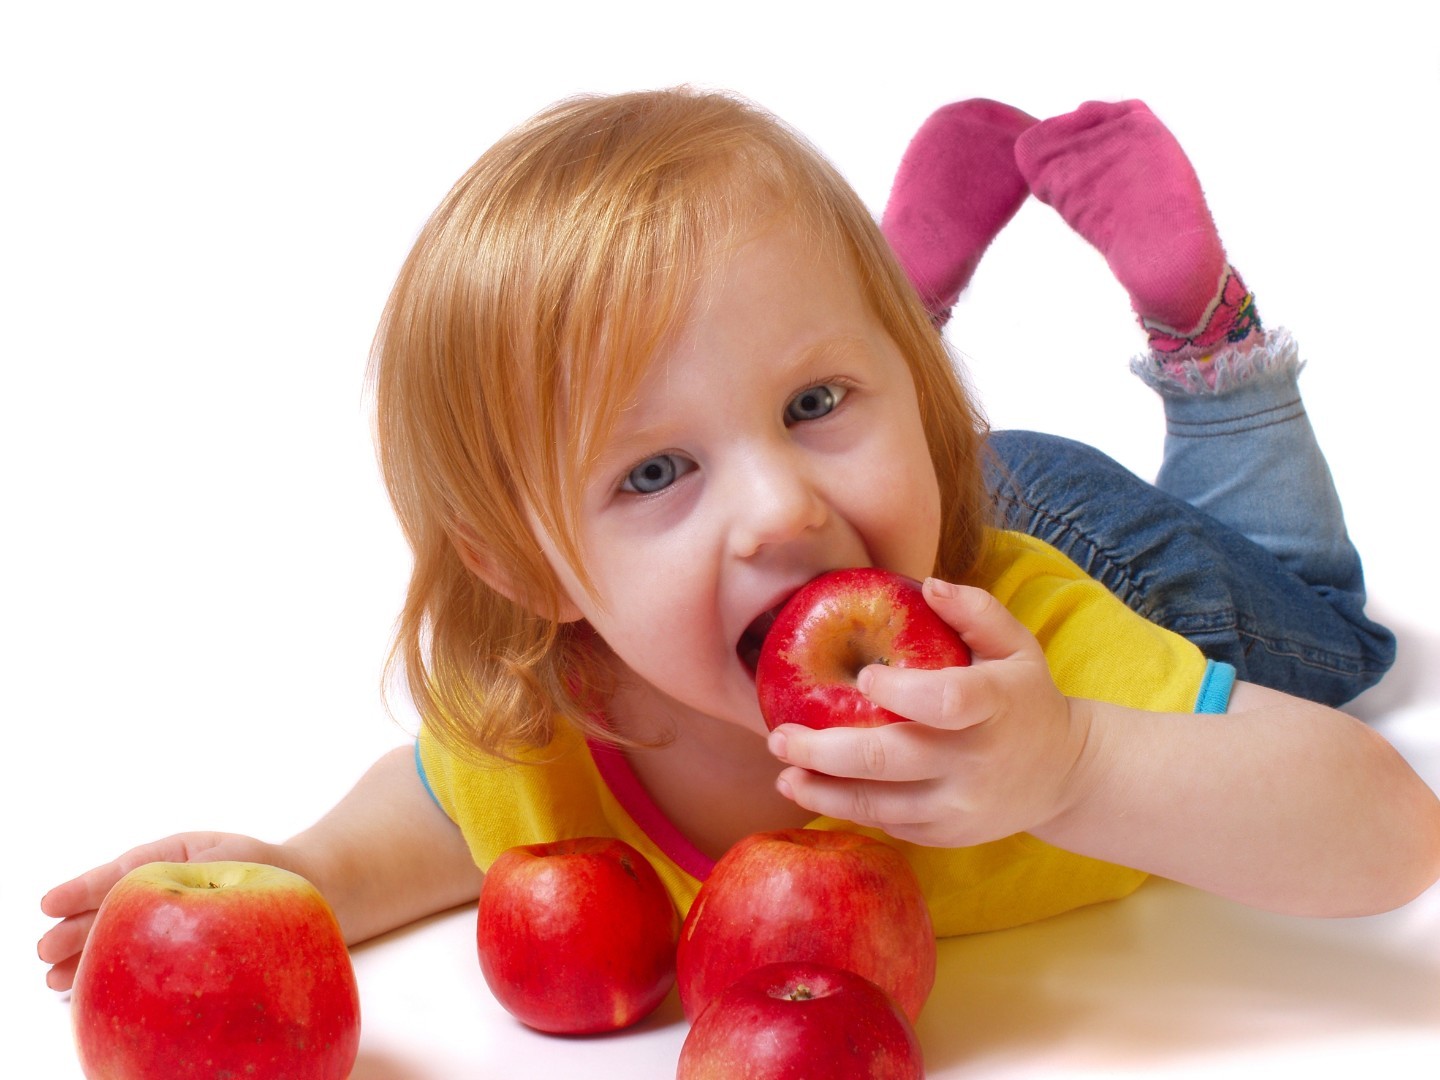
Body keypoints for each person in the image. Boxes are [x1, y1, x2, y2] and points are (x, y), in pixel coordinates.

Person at [39, 89, 1440, 995]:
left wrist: (1074, 761)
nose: (779, 510)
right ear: (526, 572)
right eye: (657, 468)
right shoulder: (559, 718)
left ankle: (1213, 350)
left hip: (1060, 524)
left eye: (810, 402)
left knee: (1326, 630)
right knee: (817, 435)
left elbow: (1389, 833)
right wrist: (308, 874)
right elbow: (442, 803)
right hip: (910, 487)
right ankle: (866, 343)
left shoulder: (1036, 646)